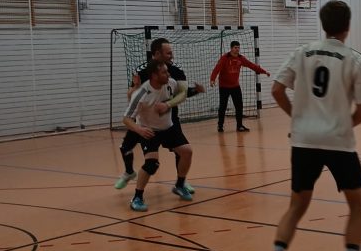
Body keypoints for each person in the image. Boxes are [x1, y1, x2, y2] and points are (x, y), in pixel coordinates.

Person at [258, 0, 361, 251]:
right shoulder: (354, 59)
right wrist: (340, 125)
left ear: (323, 24)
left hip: (303, 141)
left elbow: (276, 91)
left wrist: (298, 121)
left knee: (296, 206)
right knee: (359, 206)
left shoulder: (302, 51)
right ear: (348, 26)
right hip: (338, 142)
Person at [115, 37, 204, 192]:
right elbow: (131, 95)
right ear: (157, 54)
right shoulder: (143, 71)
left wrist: (169, 103)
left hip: (169, 118)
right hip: (145, 120)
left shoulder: (175, 71)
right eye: (168, 53)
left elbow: (182, 93)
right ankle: (129, 173)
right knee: (125, 147)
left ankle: (181, 182)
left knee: (182, 150)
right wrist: (134, 88)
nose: (172, 56)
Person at [122, 59, 194, 211]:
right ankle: (137, 197)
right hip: (149, 131)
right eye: (164, 72)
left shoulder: (171, 83)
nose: (168, 74)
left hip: (168, 128)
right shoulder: (141, 93)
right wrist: (139, 130)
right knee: (152, 164)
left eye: (168, 71)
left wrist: (196, 90)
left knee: (187, 152)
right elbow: (126, 119)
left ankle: (180, 185)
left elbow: (182, 93)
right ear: (154, 75)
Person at [210, 41, 270, 132]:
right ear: (231, 48)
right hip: (224, 87)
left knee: (239, 106)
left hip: (235, 86)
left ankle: (239, 126)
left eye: (238, 47)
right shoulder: (224, 58)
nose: (237, 49)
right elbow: (216, 69)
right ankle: (220, 126)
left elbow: (252, 65)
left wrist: (264, 71)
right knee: (223, 106)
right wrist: (212, 79)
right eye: (235, 47)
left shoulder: (241, 58)